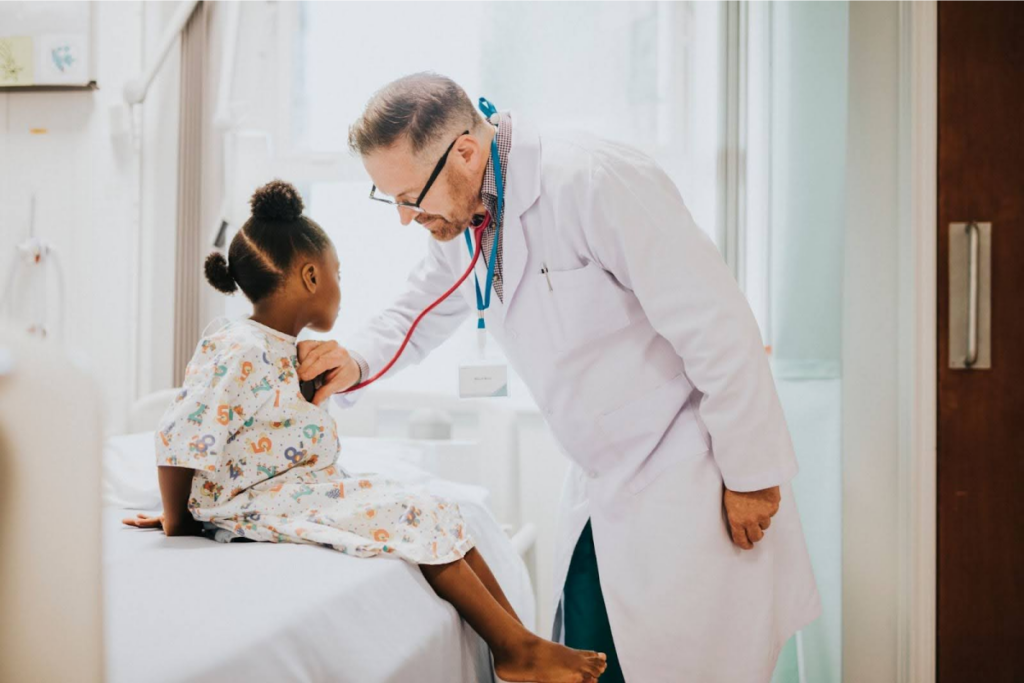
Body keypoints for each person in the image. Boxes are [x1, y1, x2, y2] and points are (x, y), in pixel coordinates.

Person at [297, 74, 821, 682]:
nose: (407, 218)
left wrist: (754, 476)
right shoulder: (465, 212)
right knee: (590, 657)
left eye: (411, 197)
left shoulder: (592, 180)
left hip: (690, 471)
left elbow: (716, 324)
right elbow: (424, 302)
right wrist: (354, 358)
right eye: (391, 200)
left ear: (465, 152)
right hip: (607, 482)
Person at [122, 180, 608, 683]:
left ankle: (519, 643)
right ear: (311, 276)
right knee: (409, 515)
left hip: (293, 489)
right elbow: (182, 431)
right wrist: (179, 519)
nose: (340, 284)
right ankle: (516, 649)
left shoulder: (287, 350)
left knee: (438, 511)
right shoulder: (240, 346)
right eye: (338, 273)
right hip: (256, 498)